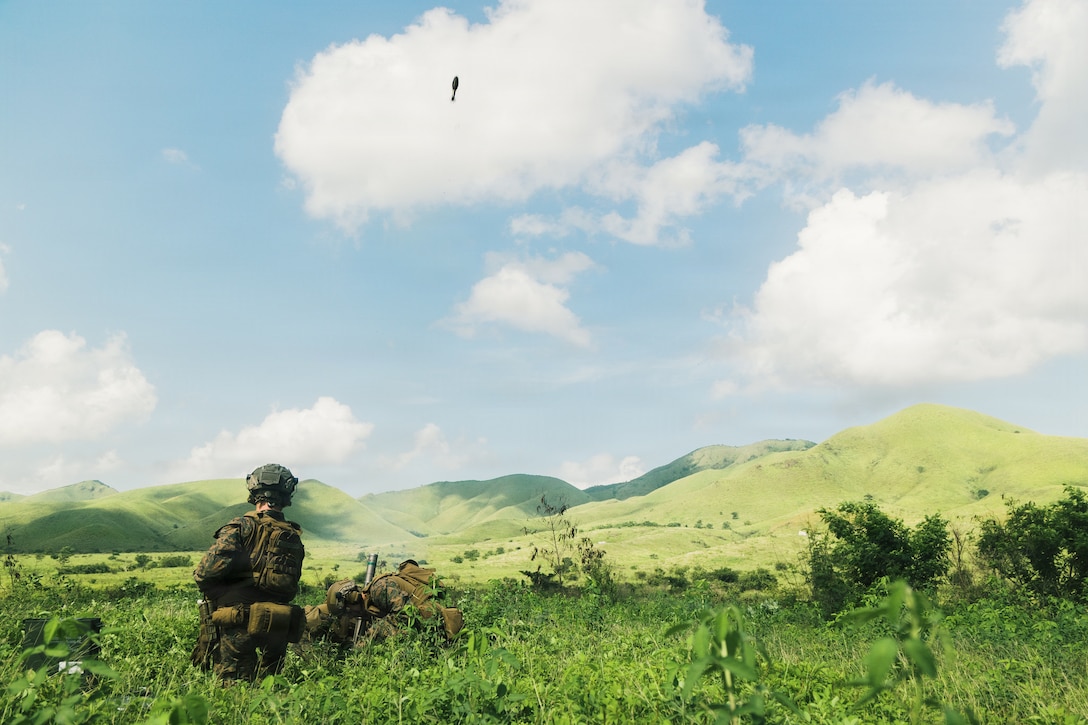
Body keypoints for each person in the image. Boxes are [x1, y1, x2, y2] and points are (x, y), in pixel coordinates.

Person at [191, 463, 306, 682]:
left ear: (253, 489)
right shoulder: (293, 535)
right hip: (278, 623)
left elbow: (205, 573)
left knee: (234, 691)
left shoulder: (242, 527)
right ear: (287, 493)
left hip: (239, 623)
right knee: (271, 688)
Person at [303, 560, 463, 648]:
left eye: (348, 611)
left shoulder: (380, 589)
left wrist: (367, 641)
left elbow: (406, 616)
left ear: (355, 599)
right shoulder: (369, 602)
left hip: (435, 624)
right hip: (424, 628)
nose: (349, 615)